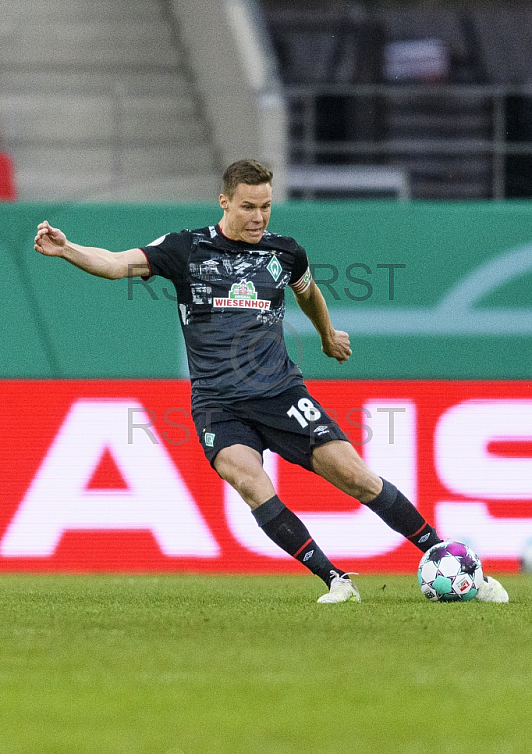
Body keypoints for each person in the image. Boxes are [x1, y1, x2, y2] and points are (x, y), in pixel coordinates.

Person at [34, 159, 508, 604]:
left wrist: (326, 335)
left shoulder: (284, 252)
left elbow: (309, 291)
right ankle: (335, 580)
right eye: (248, 206)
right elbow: (117, 263)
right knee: (249, 481)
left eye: (265, 206)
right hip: (218, 404)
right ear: (224, 202)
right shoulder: (186, 248)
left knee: (357, 479)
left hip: (281, 394)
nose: (258, 216)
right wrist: (69, 249)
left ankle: (462, 567)